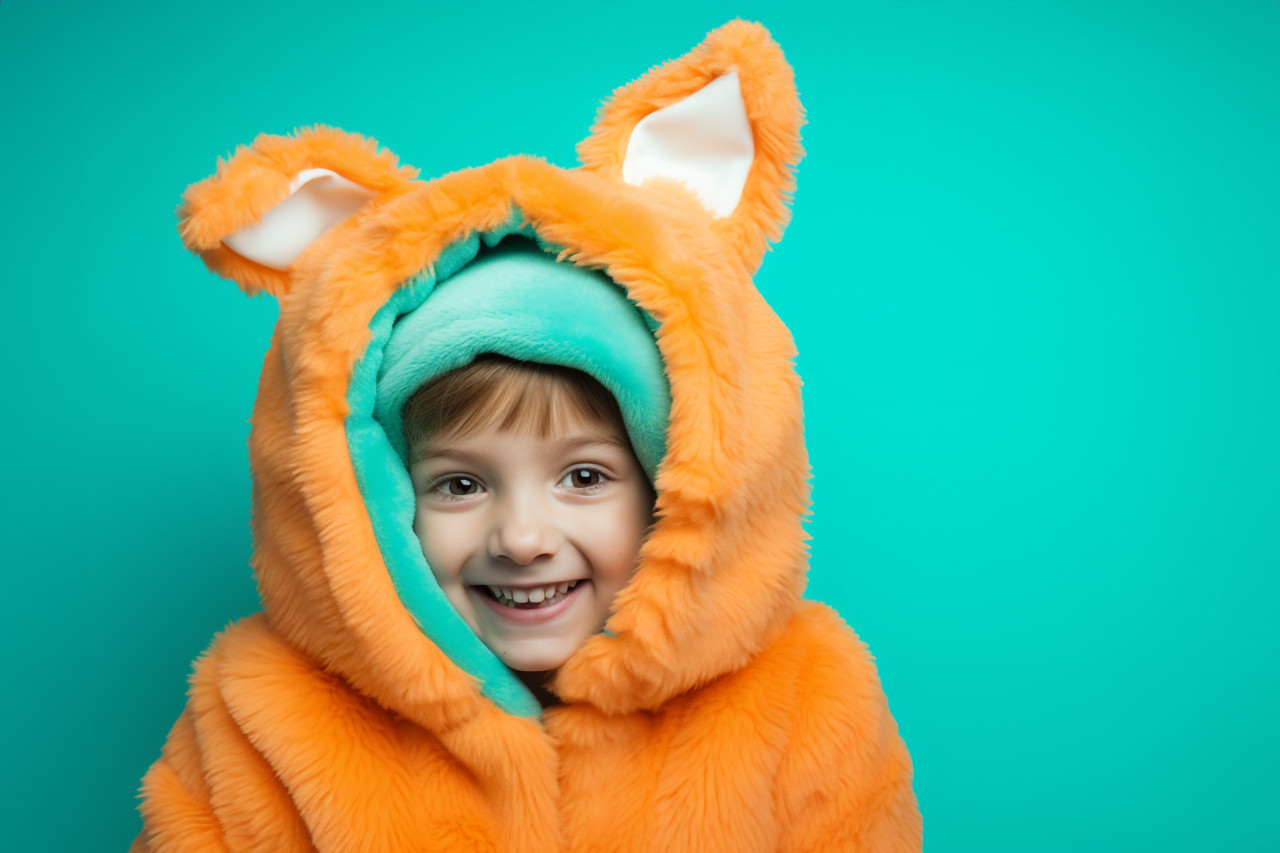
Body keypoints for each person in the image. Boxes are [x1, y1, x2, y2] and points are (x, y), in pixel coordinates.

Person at [134, 20, 923, 853]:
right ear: (369, 501)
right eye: (460, 484)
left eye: (584, 476)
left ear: (681, 483)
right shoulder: (259, 718)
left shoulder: (807, 704)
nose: (521, 539)